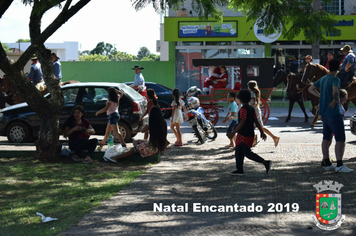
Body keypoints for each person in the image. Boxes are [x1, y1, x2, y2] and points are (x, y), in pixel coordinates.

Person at [308, 59, 353, 173]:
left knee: (326, 138)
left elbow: (310, 88)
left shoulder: (323, 79)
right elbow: (335, 91)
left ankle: (327, 162)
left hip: (324, 113)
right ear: (338, 68)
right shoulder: (335, 79)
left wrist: (321, 96)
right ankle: (339, 164)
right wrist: (334, 99)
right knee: (340, 139)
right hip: (334, 112)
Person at [228, 89, 272, 176]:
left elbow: (242, 122)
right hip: (248, 133)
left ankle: (265, 162)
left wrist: (233, 132)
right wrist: (261, 131)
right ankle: (239, 169)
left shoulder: (243, 109)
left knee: (247, 152)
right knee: (238, 151)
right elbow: (256, 120)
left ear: (240, 98)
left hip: (244, 134)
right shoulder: (251, 108)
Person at [247, 80, 280, 147]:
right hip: (256, 110)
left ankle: (255, 139)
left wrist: (250, 108)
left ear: (249, 87)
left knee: (253, 126)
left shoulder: (252, 93)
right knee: (260, 127)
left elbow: (254, 103)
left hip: (254, 111)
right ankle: (273, 137)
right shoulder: (255, 92)